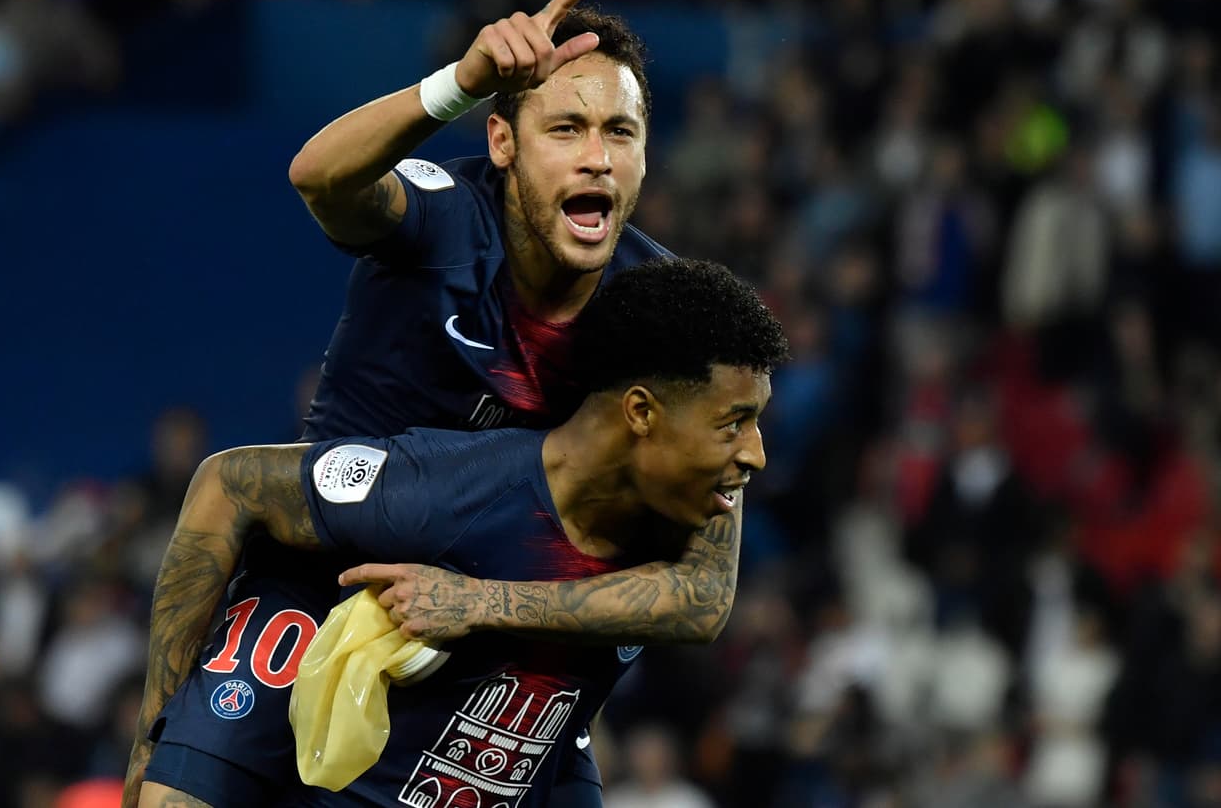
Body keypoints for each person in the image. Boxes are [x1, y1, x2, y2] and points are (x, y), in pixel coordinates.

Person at [125, 0, 750, 808]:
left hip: (504, 626)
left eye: (620, 132)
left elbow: (706, 592)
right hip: (322, 579)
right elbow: (320, 180)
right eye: (565, 128)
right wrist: (456, 83)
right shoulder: (446, 216)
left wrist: (486, 603)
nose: (596, 155)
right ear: (502, 143)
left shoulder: (666, 320)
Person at [140, 257, 787, 807]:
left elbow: (702, 603)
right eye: (734, 423)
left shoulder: (691, 504)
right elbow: (230, 484)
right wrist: (153, 730)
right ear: (641, 411)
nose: (756, 453)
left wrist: (475, 603)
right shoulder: (448, 489)